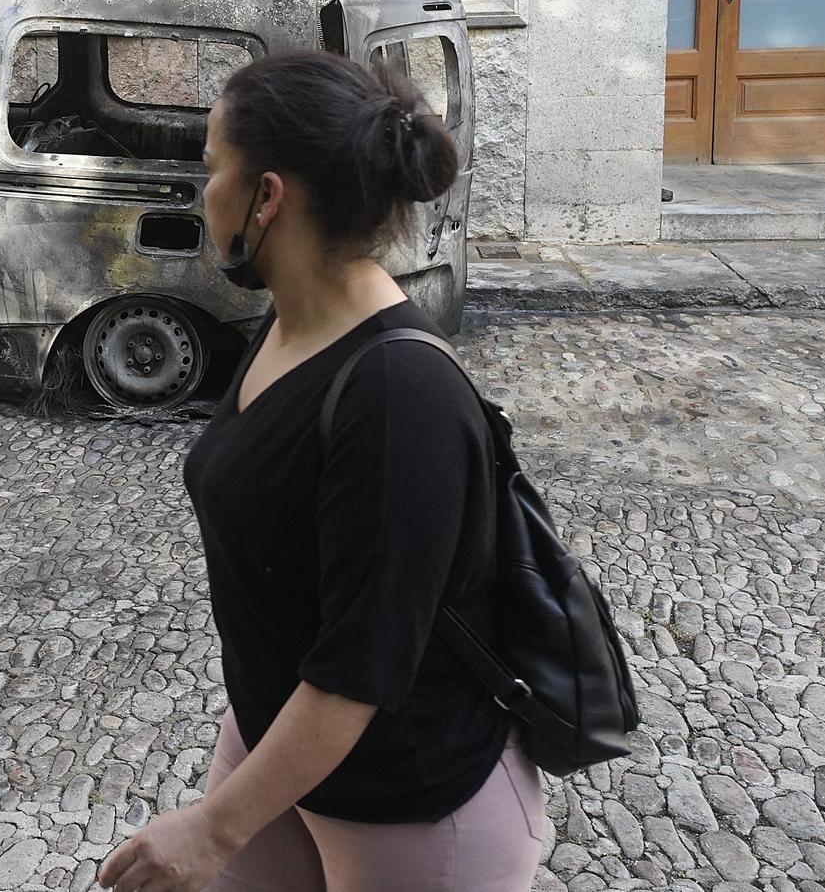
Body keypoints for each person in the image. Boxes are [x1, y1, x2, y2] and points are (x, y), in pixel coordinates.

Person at [97, 50, 548, 892]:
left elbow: (362, 664)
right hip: (280, 748)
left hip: (411, 806)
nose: (204, 195)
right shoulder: (290, 323)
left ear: (267, 196)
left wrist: (213, 828)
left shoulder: (396, 394)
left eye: (212, 170)